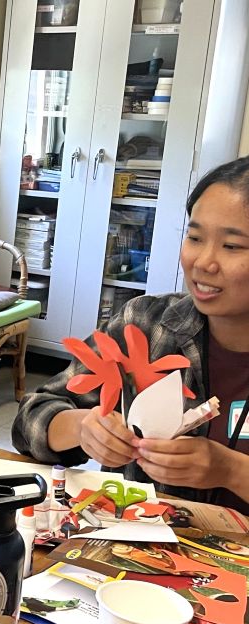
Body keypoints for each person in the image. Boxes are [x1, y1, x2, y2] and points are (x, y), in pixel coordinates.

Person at [13, 156, 249, 515]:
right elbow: (29, 420)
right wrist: (83, 429)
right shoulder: (147, 324)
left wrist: (230, 470)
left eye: (232, 246)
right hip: (133, 555)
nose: (203, 262)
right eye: (195, 237)